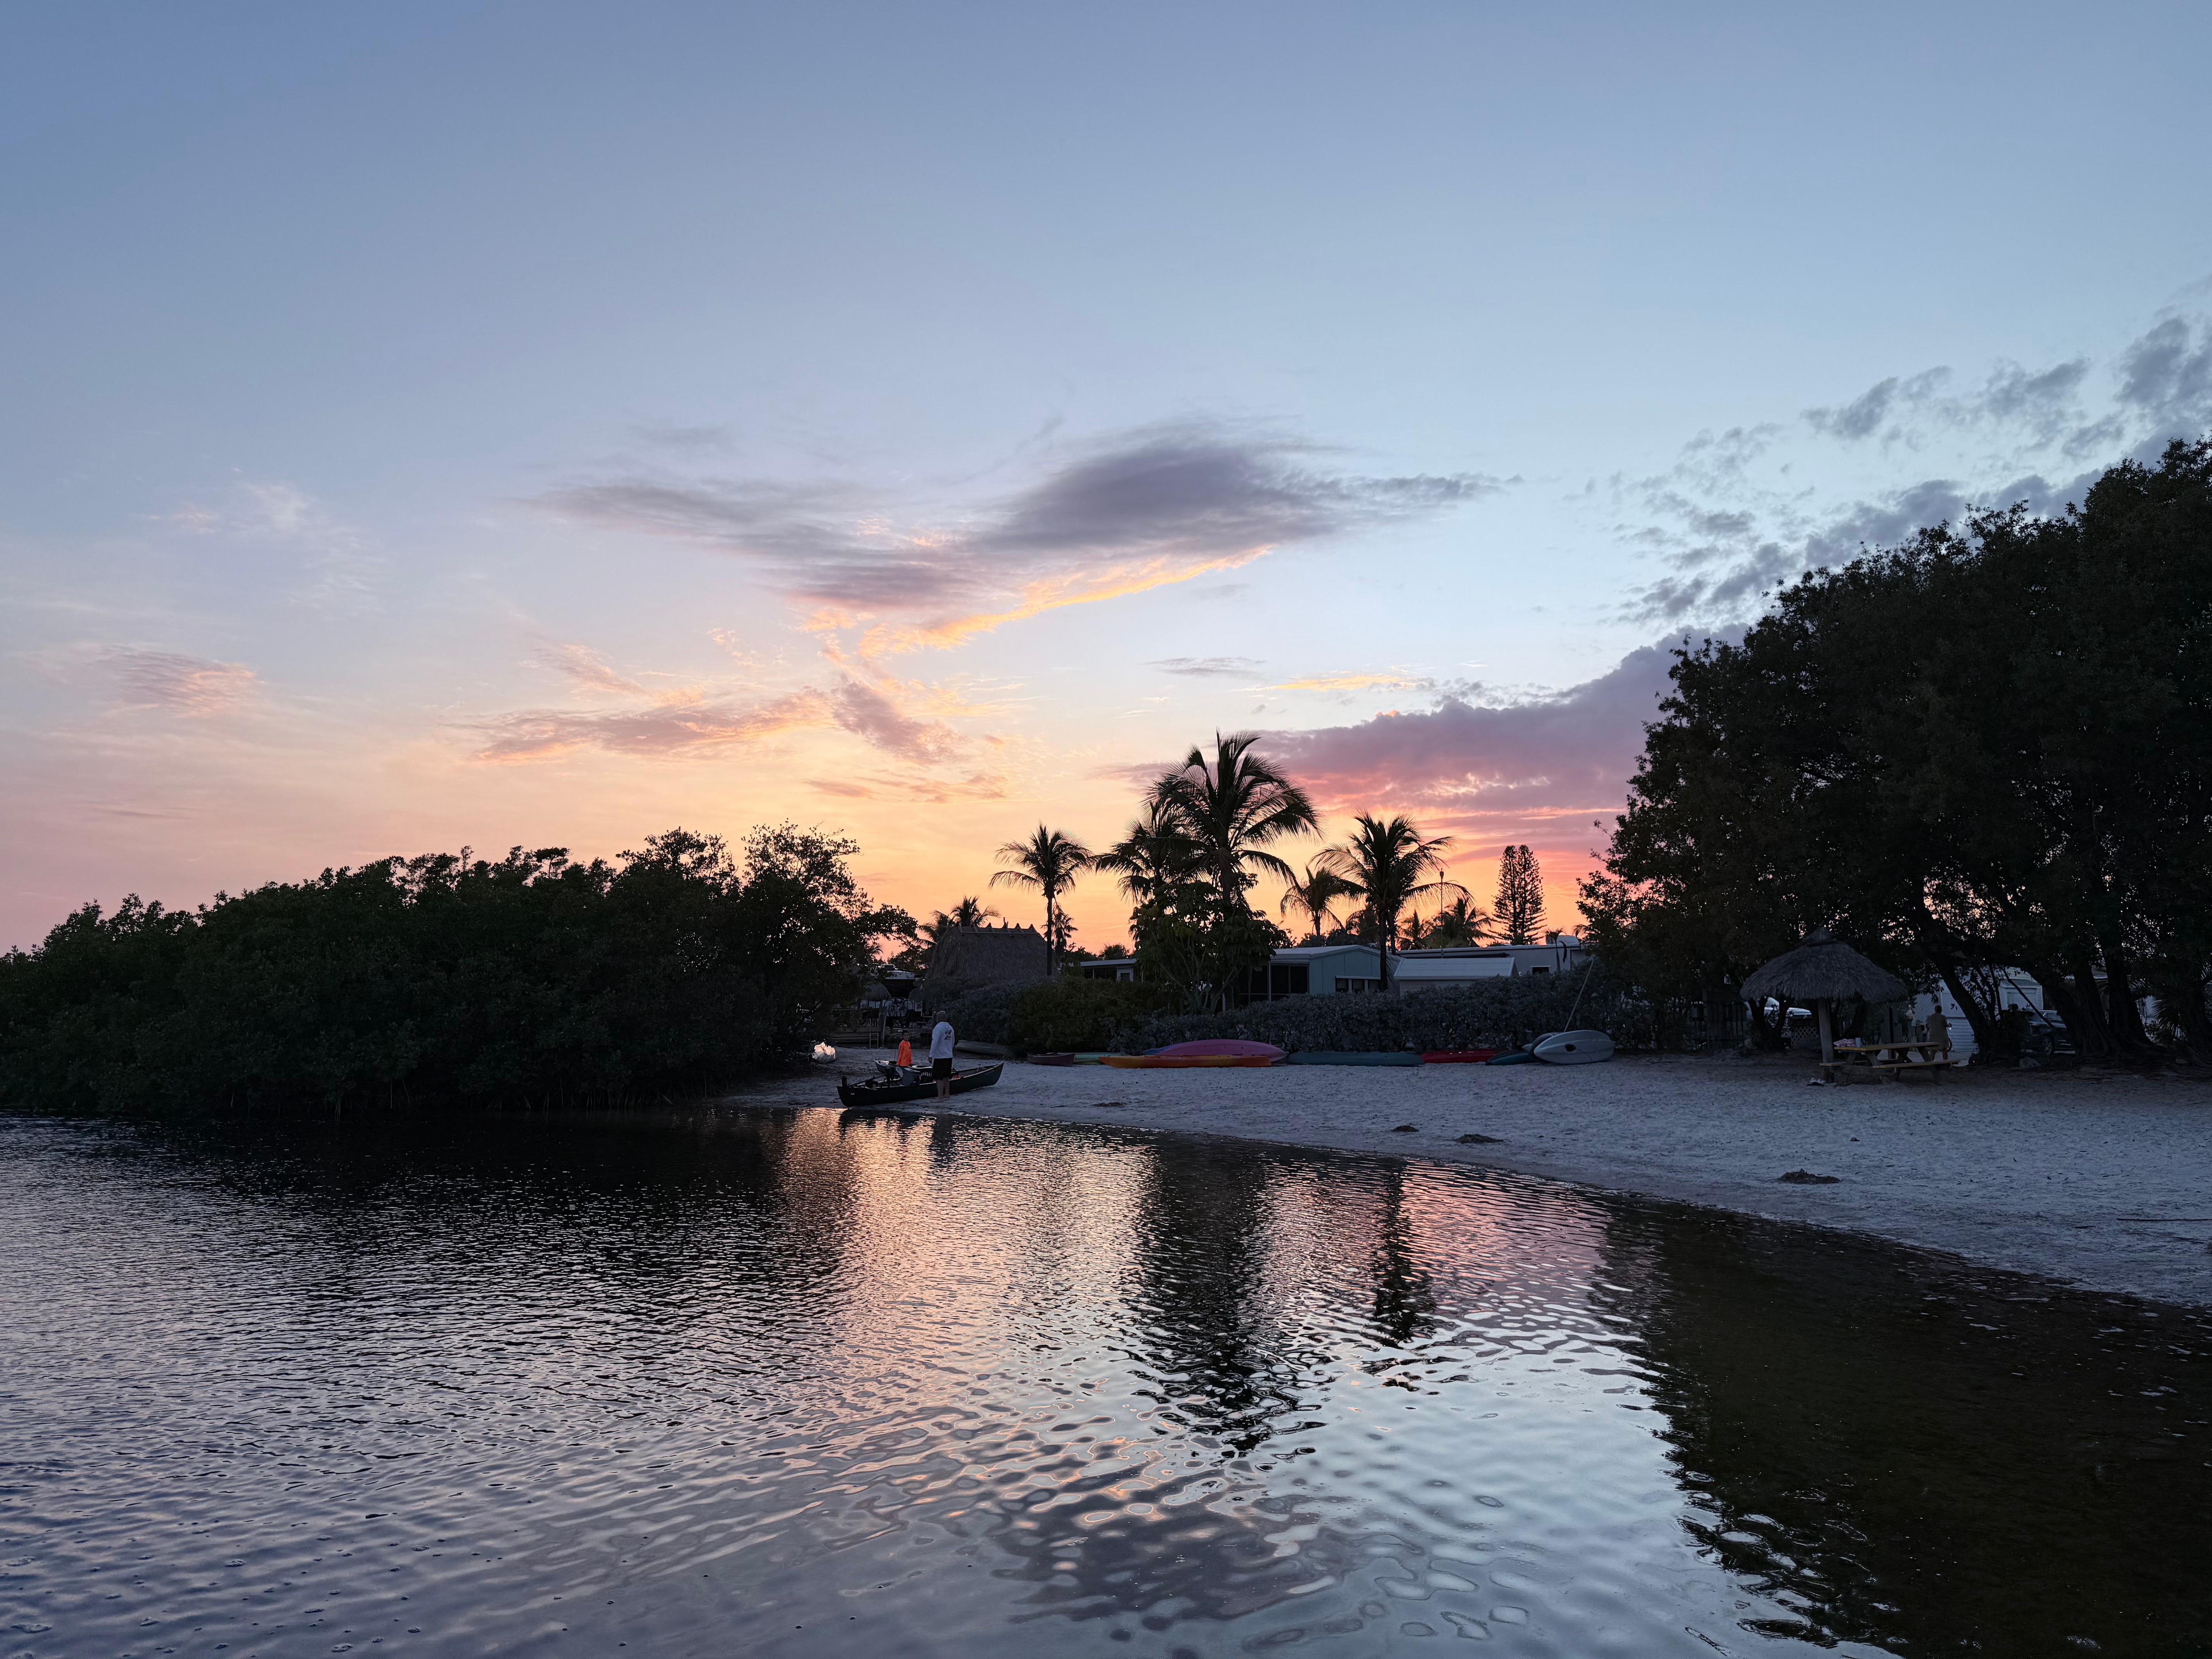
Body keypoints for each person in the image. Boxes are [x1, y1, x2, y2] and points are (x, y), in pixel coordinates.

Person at [929, 1016, 956, 1100]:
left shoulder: (938, 1028)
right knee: (946, 1076)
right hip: (949, 1055)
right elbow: (953, 1041)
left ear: (938, 1019)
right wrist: (950, 1051)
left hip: (940, 1056)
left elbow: (935, 1042)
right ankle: (947, 1094)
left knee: (939, 1077)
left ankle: (940, 1097)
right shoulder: (950, 1028)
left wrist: (931, 1055)